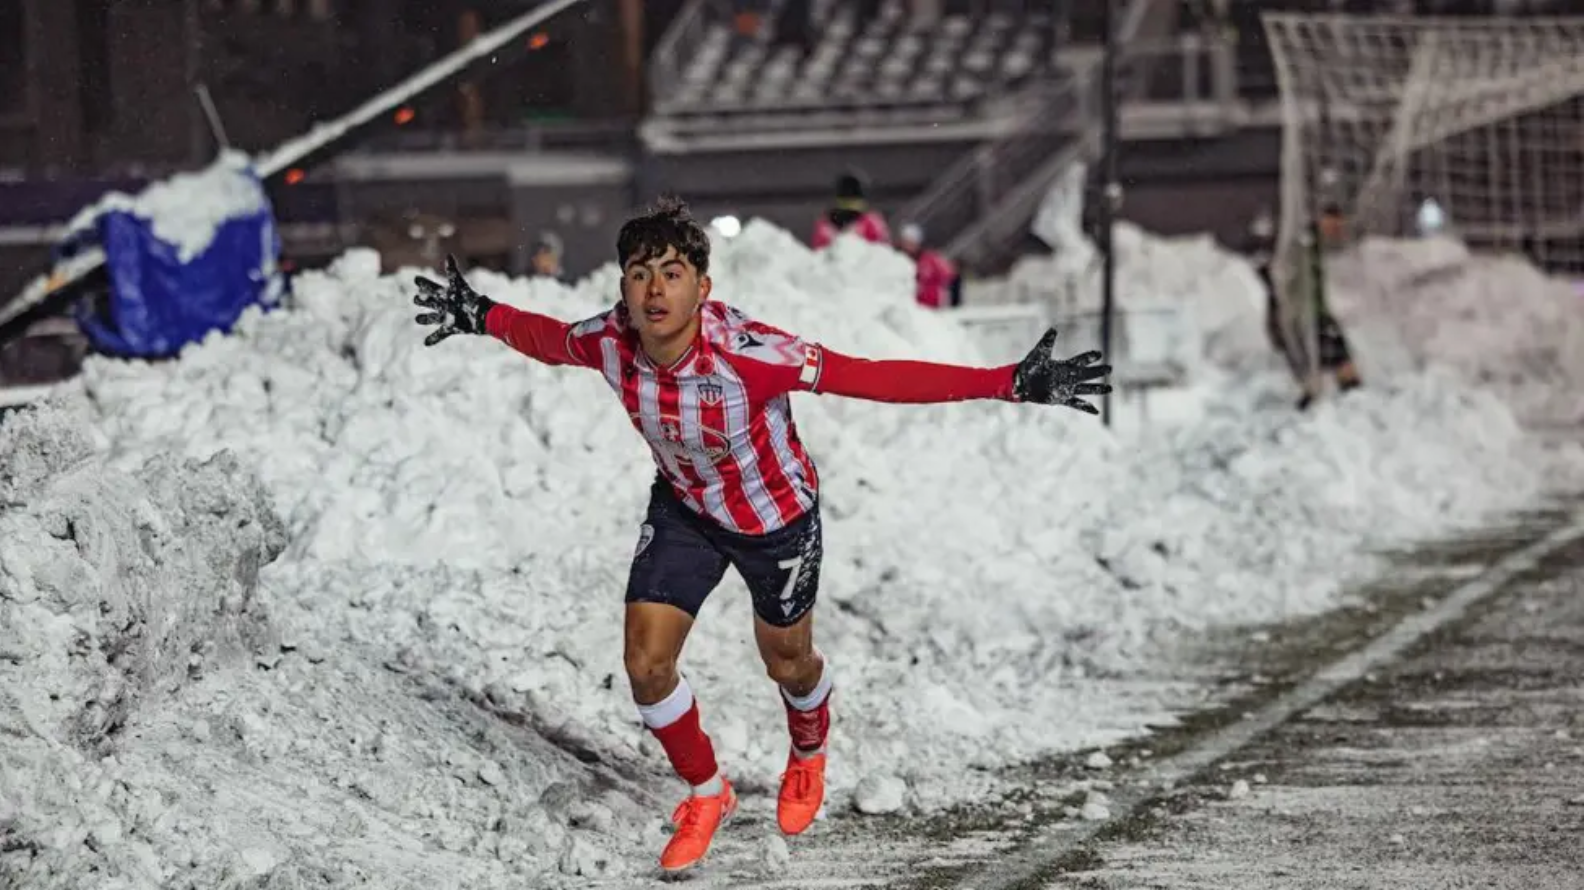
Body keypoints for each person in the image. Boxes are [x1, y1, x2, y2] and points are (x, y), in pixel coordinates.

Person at [410, 199, 1111, 874]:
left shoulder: (749, 352)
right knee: (646, 664)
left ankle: (808, 749)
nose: (655, 290)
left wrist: (1007, 383)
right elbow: (549, 340)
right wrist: (480, 315)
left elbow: (868, 377)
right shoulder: (610, 340)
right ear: (622, 285)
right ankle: (707, 792)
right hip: (685, 512)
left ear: (702, 285)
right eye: (639, 274)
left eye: (672, 274)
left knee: (787, 663)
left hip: (776, 522)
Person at [812, 172, 891, 250]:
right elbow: (820, 254)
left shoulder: (872, 222)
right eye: (845, 199)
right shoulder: (825, 226)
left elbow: (883, 251)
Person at [895, 223, 960, 309]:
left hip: (932, 309)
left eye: (911, 242)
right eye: (906, 242)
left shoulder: (931, 259)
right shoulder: (896, 259)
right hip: (908, 309)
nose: (908, 246)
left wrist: (954, 304)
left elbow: (953, 277)